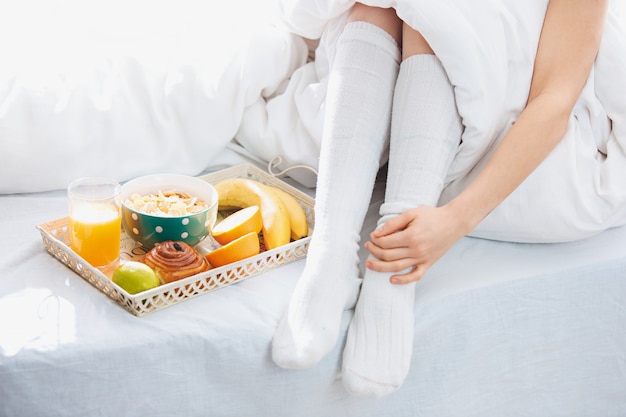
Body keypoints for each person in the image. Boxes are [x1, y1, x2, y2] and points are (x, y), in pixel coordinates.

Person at [271, 0, 624, 399]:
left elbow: (554, 100)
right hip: (387, 41)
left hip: (506, 86)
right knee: (387, 6)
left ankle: (393, 273)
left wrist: (457, 220)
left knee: (438, 14)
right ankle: (331, 251)